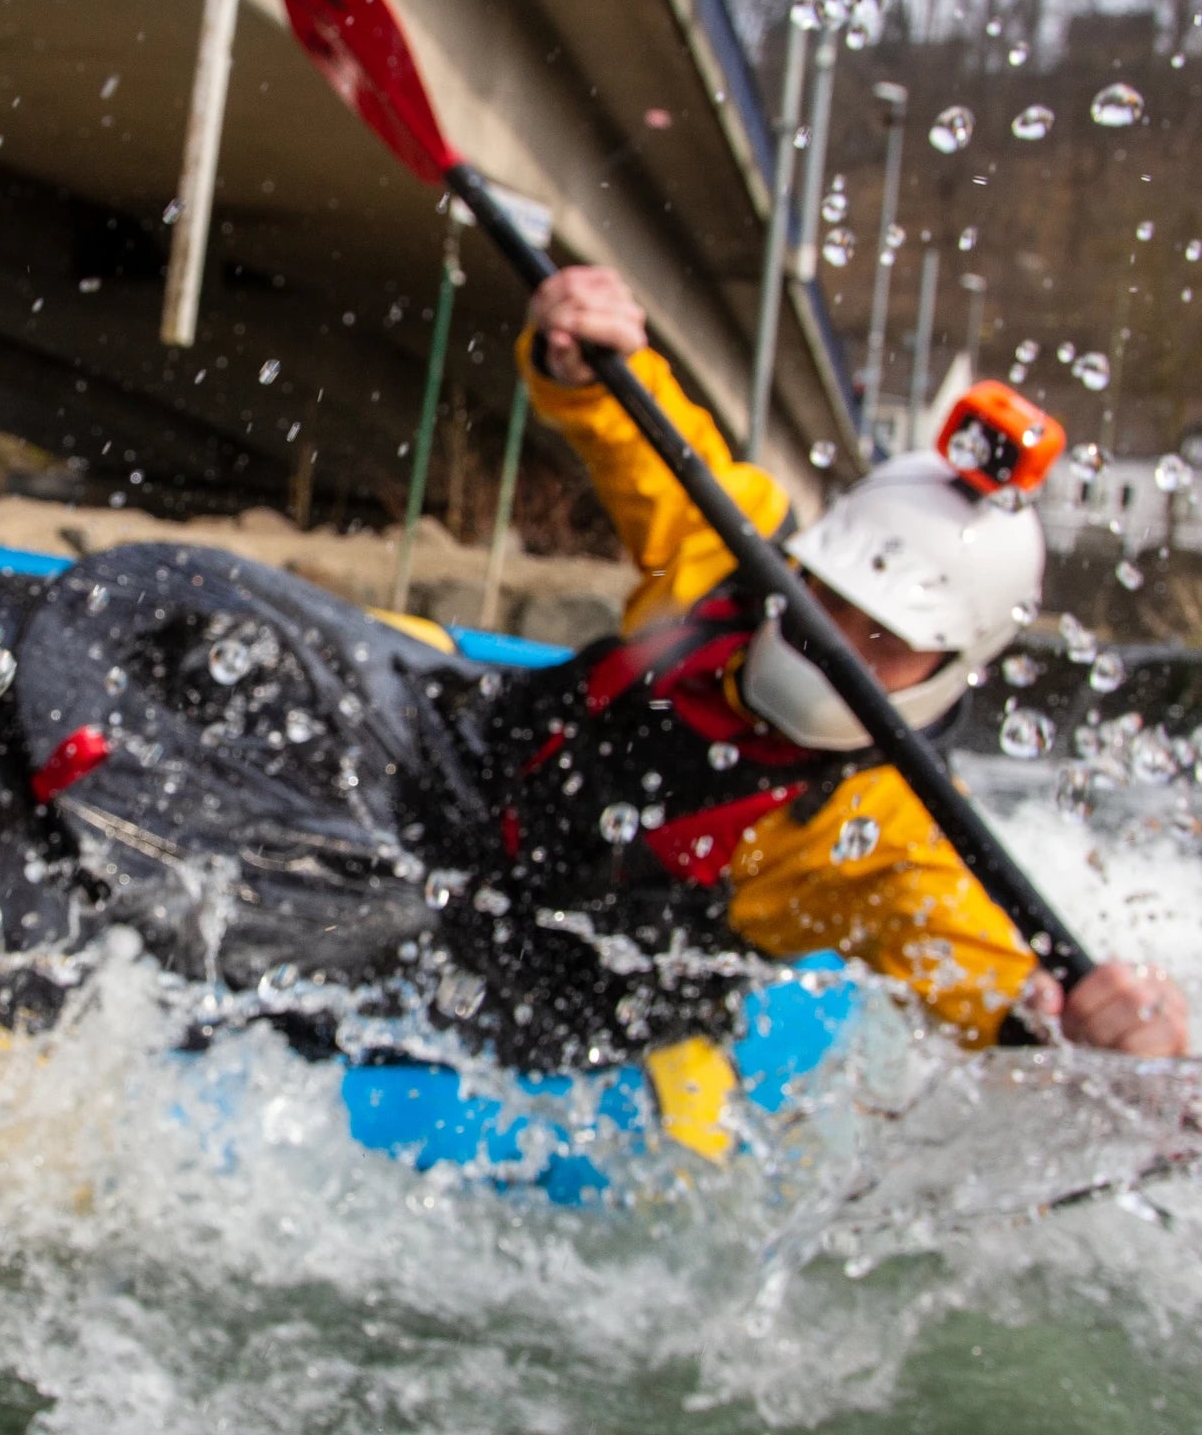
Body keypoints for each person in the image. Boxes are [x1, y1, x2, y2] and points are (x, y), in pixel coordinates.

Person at [458, 264, 1187, 1062]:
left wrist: (1074, 1032)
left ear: (951, 667)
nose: (835, 640)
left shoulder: (896, 831)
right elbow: (648, 437)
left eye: (888, 639)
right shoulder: (737, 562)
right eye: (828, 599)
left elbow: (988, 977)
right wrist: (591, 354)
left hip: (590, 995)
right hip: (474, 784)